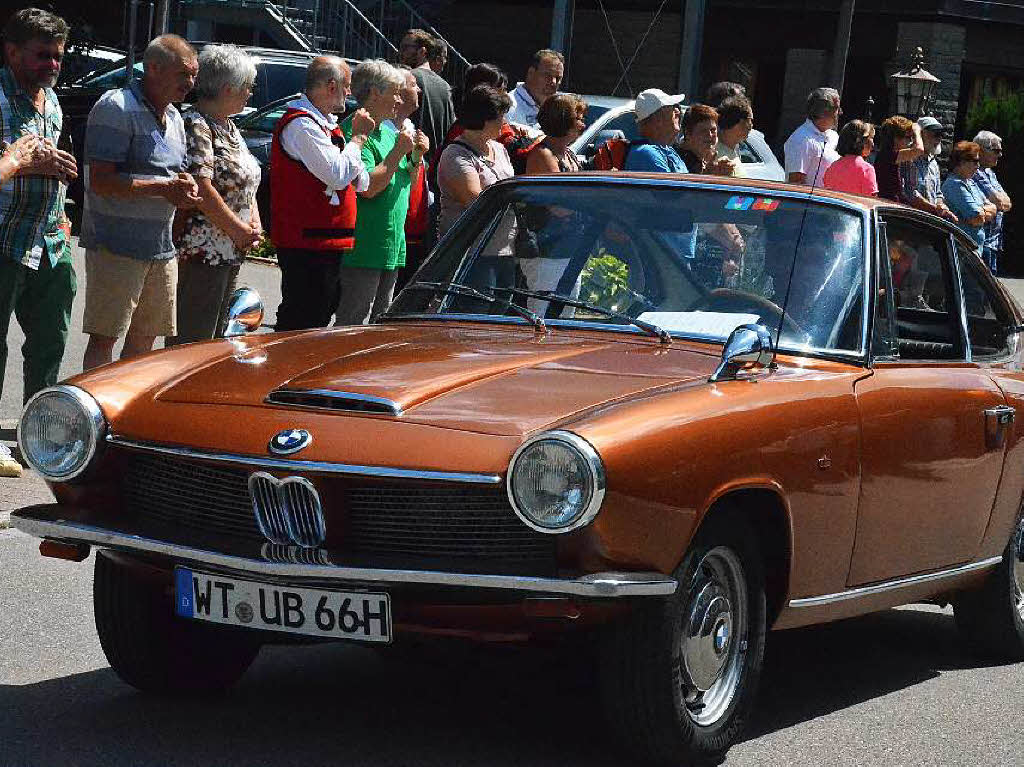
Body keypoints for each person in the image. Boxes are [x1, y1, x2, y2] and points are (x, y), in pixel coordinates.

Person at [81, 34, 201, 371]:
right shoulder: (116, 107)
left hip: (161, 250)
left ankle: (126, 417)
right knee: (105, 339)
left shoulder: (176, 117)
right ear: (153, 68)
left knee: (144, 343)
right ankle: (92, 416)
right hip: (115, 247)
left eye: (193, 75)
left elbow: (173, 173)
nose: (190, 83)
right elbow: (100, 181)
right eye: (183, 74)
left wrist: (184, 183)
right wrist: (164, 187)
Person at [0, 7, 79, 406]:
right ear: (12, 52)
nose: (52, 64)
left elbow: (41, 161)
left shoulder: (51, 101)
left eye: (58, 56)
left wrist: (60, 172)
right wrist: (22, 161)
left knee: (51, 339)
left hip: (49, 240)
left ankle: (39, 426)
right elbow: (15, 161)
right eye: (41, 54)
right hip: (5, 240)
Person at [270, 56, 374, 331]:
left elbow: (360, 180)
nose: (350, 93)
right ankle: (285, 366)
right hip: (305, 241)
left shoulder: (326, 124)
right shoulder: (301, 124)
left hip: (327, 240)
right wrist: (359, 139)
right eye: (347, 86)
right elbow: (338, 175)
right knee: (303, 313)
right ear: (331, 86)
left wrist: (352, 150)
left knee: (324, 306)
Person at [168, 45, 262, 345]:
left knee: (217, 341)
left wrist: (253, 224)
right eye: (248, 87)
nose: (250, 93)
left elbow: (247, 181)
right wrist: (238, 229)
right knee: (192, 342)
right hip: (202, 253)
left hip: (230, 250)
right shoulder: (197, 124)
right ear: (227, 88)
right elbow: (202, 186)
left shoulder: (230, 126)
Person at [335, 60, 424, 326]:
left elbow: (407, 179)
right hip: (365, 246)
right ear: (375, 93)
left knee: (380, 325)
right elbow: (369, 188)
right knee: (353, 324)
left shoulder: (385, 130)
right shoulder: (356, 130)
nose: (399, 100)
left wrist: (416, 156)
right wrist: (400, 151)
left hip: (390, 244)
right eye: (395, 92)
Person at [436, 84, 515, 295]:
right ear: (485, 119)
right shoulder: (456, 155)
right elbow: (476, 202)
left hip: (504, 250)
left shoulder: (499, 149)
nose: (505, 123)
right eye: (501, 117)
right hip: (472, 253)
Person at [388, 67, 430, 290]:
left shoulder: (409, 127)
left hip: (412, 229)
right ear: (398, 92)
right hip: (393, 228)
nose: (419, 89)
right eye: (413, 85)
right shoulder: (383, 130)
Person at [398, 28, 454, 175]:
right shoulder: (446, 86)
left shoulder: (408, 78)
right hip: (435, 170)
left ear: (423, 51)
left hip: (410, 165)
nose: (400, 52)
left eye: (405, 48)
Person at [941, 141, 996, 252]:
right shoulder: (954, 184)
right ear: (961, 162)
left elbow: (993, 208)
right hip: (961, 251)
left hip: (974, 251)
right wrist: (982, 214)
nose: (978, 166)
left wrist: (980, 213)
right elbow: (977, 217)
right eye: (975, 161)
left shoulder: (970, 183)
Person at [973, 130, 1013, 275]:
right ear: (981, 150)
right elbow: (1000, 202)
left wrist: (999, 202)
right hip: (982, 242)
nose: (1000, 155)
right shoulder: (976, 172)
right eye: (996, 151)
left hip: (994, 243)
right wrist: (999, 202)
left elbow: (1007, 203)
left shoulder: (991, 173)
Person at [902, 116, 956, 221]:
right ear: (921, 134)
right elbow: (910, 194)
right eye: (935, 134)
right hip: (912, 220)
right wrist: (935, 209)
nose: (939, 138)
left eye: (940, 135)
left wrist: (940, 205)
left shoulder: (933, 163)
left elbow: (938, 193)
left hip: (930, 221)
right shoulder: (909, 159)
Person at [783, 87, 840, 186]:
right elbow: (796, 183)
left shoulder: (834, 136)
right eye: (837, 108)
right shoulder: (801, 139)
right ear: (824, 111)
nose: (840, 112)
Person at [624, 88, 688, 173]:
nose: (678, 111)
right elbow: (672, 186)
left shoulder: (668, 150)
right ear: (658, 119)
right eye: (672, 107)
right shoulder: (646, 154)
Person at [507, 49, 564, 132]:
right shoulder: (509, 106)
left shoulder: (560, 108)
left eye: (558, 78)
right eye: (548, 75)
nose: (554, 82)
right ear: (531, 73)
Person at [873, 115, 923, 202]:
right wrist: (917, 132)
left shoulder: (889, 154)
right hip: (887, 204)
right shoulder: (887, 155)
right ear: (896, 138)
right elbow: (919, 150)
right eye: (908, 137)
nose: (910, 142)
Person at [822, 120, 878, 197]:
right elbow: (871, 201)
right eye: (871, 138)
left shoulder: (832, 167)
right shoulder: (867, 169)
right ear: (862, 142)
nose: (873, 143)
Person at [676, 103, 733, 175]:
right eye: (703, 131)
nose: (710, 135)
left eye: (713, 130)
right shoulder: (679, 161)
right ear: (688, 134)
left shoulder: (702, 158)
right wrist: (709, 173)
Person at [715, 96, 754, 176]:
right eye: (750, 120)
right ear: (740, 121)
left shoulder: (734, 149)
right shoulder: (713, 153)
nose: (751, 125)